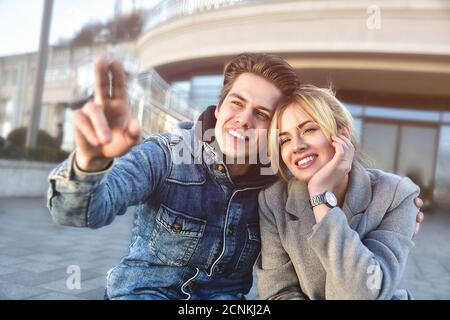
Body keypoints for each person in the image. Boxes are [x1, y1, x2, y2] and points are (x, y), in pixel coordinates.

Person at [47, 53, 424, 300]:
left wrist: (394, 206)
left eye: (262, 114)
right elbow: (80, 212)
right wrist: (91, 160)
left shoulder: (277, 184)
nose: (244, 120)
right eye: (237, 103)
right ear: (220, 105)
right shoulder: (167, 154)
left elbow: (339, 170)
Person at [257, 85, 420, 300]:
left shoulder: (396, 195)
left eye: (309, 129)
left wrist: (321, 198)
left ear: (342, 136)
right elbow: (278, 294)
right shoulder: (273, 201)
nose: (296, 146)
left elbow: (364, 293)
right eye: (284, 140)